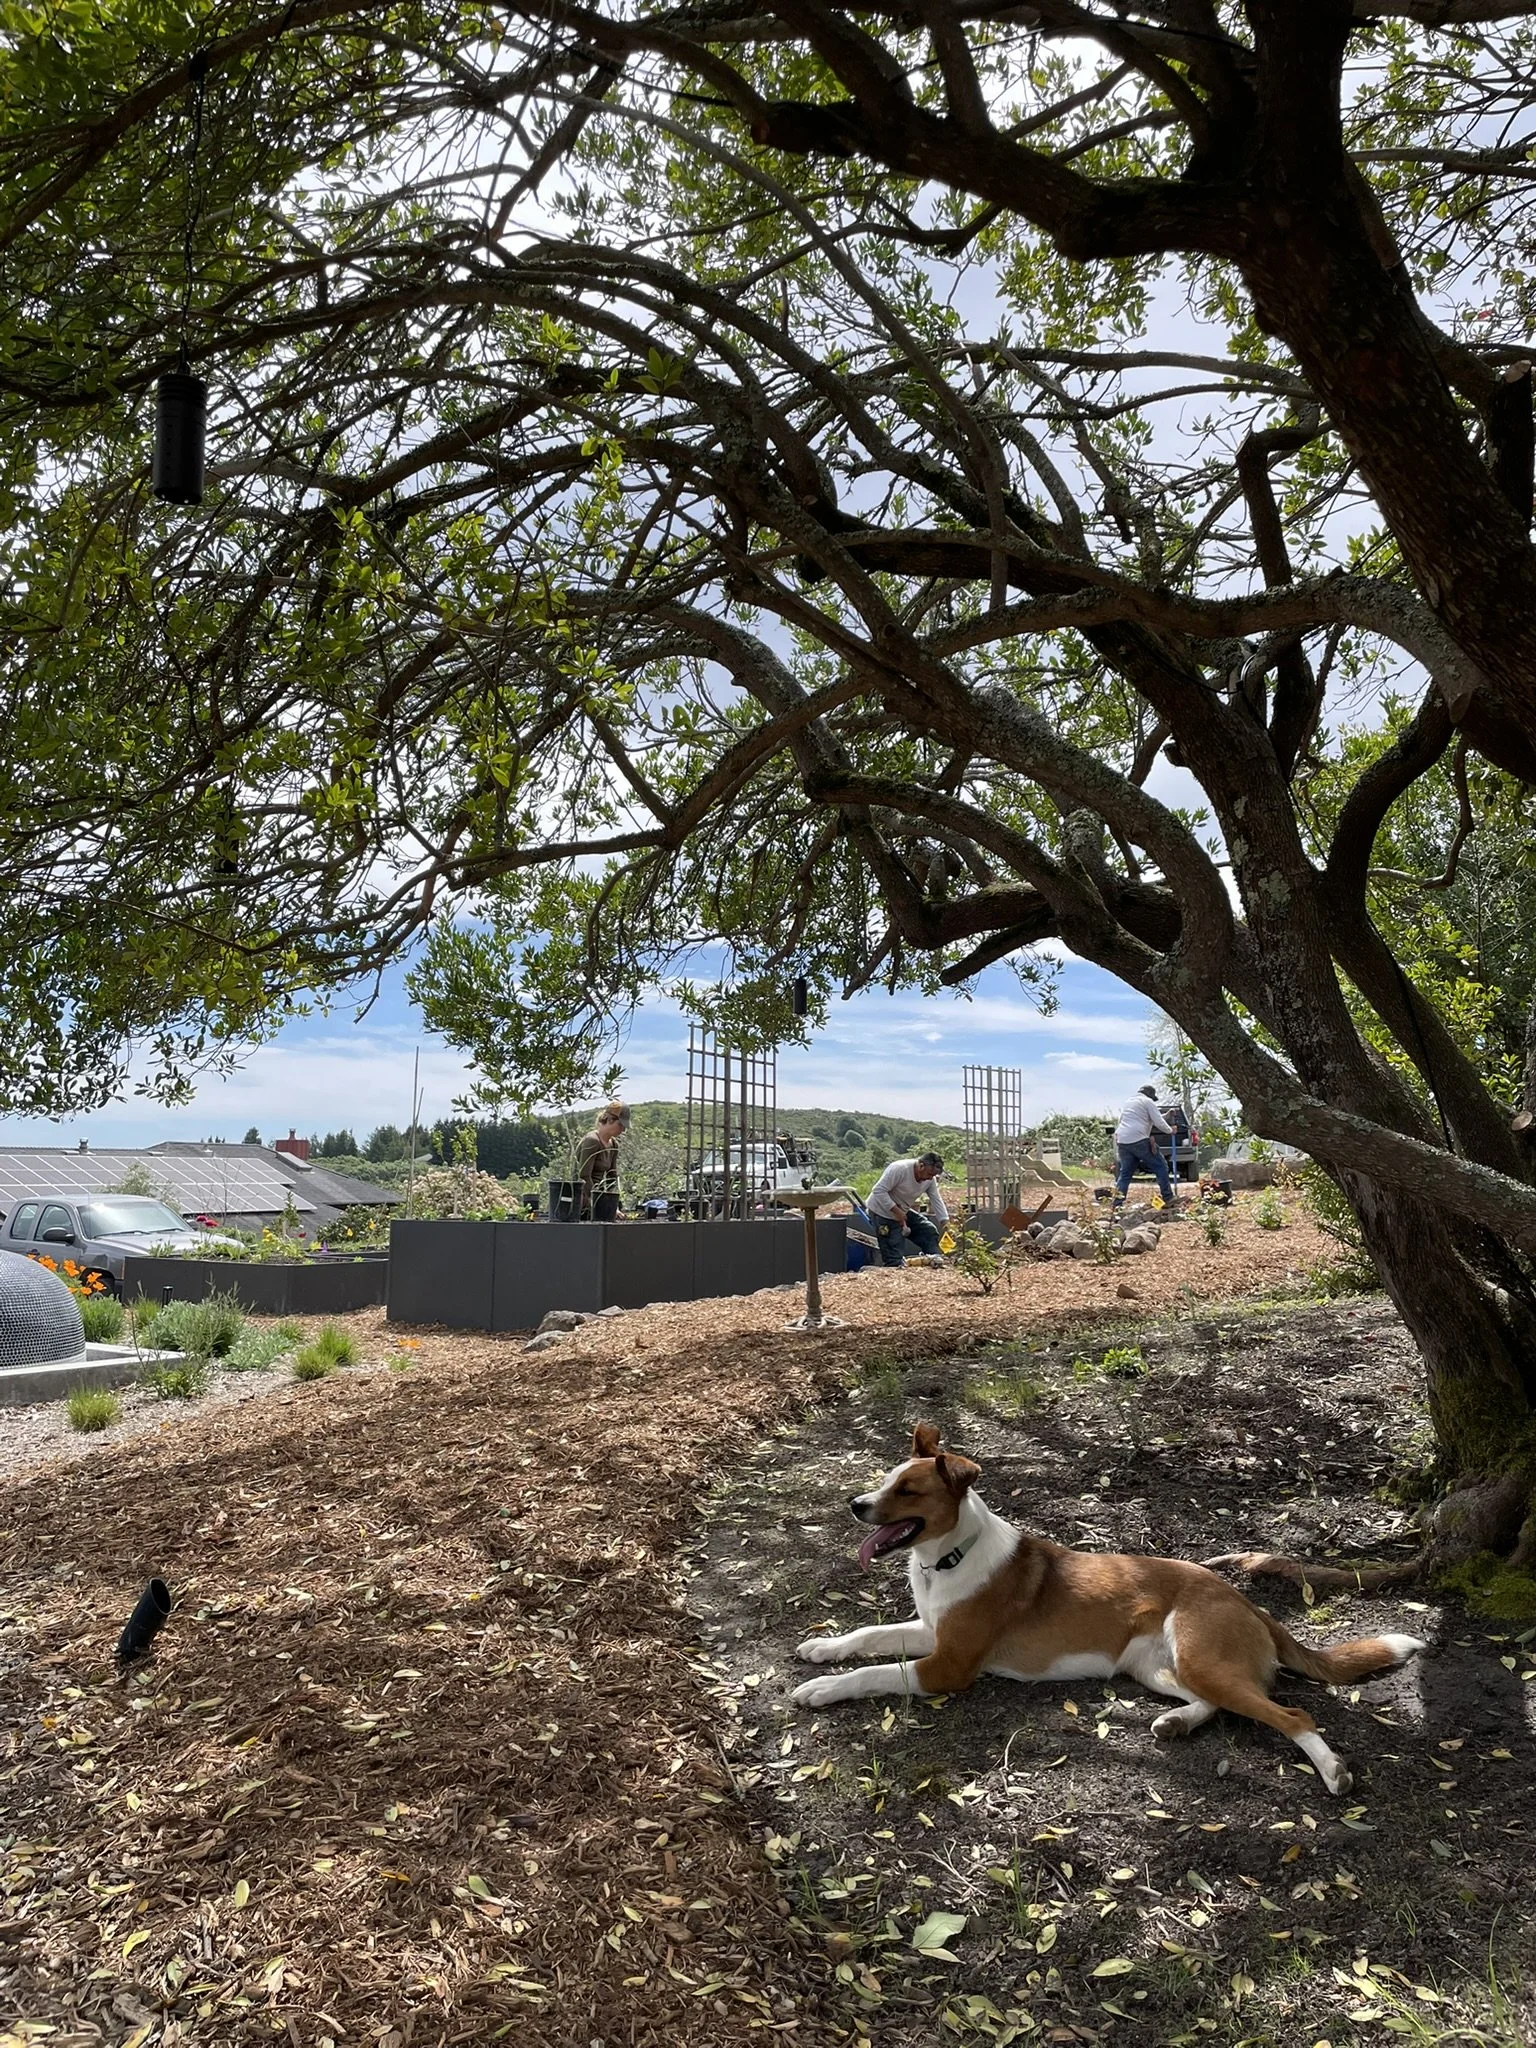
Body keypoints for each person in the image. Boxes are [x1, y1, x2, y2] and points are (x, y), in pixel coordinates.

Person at [866, 1151, 949, 1265]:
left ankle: (935, 1261)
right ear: (921, 1165)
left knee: (928, 1231)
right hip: (882, 1212)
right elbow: (878, 1190)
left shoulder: (930, 1180)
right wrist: (895, 1210)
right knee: (894, 1252)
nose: (930, 1178)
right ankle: (895, 1269)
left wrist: (944, 1221)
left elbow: (936, 1199)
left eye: (933, 1176)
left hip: (902, 1211)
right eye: (929, 1174)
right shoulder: (899, 1169)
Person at [1113, 1085, 1180, 1211]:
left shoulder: (1129, 1102)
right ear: (1150, 1095)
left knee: (1125, 1174)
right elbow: (1158, 1122)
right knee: (1160, 1166)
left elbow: (1152, 1119)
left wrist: (1167, 1114)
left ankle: (1117, 1204)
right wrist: (1170, 1131)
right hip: (1139, 1139)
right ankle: (1168, 1197)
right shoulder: (1148, 1102)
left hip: (1122, 1140)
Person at [575, 1102, 627, 1221]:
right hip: (584, 1197)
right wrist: (603, 1204)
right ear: (609, 1120)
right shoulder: (592, 1141)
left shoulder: (613, 1144)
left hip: (599, 1195)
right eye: (620, 1125)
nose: (623, 1130)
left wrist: (614, 1204)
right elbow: (584, 1176)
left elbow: (611, 1176)